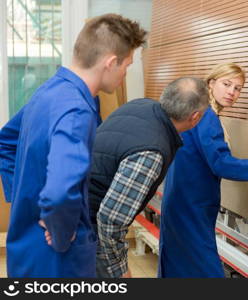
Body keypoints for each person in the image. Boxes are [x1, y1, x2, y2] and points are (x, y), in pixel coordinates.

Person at [0, 14, 146, 277]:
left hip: (26, 246)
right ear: (111, 63)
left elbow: (5, 141)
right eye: (127, 65)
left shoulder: (49, 91)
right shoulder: (77, 111)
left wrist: (24, 201)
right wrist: (60, 232)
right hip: (57, 258)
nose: (125, 74)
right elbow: (59, 193)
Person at [158, 62, 248, 278]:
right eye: (226, 84)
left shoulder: (197, 112)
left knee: (177, 266)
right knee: (206, 271)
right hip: (191, 206)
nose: (232, 92)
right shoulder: (206, 117)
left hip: (180, 201)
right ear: (211, 83)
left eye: (238, 88)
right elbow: (221, 163)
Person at [88, 77, 209, 278]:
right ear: (195, 117)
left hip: (73, 208)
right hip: (91, 229)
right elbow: (110, 219)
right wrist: (119, 269)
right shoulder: (152, 151)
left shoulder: (140, 104)